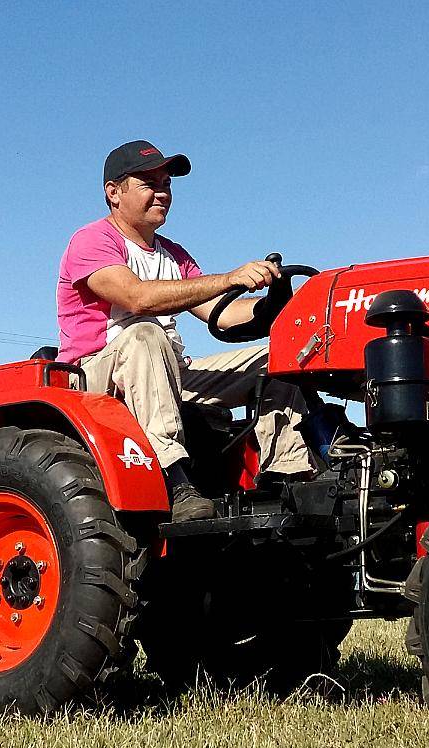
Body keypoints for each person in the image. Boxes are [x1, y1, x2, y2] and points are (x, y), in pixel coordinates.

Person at [56, 140, 315, 522]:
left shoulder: (173, 254)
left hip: (168, 370)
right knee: (145, 333)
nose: (162, 193)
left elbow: (222, 314)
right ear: (114, 193)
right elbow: (137, 298)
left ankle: (287, 478)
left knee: (277, 358)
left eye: (167, 184)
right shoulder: (93, 241)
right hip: (94, 378)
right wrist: (229, 278)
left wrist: (273, 305)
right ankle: (174, 479)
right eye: (149, 183)